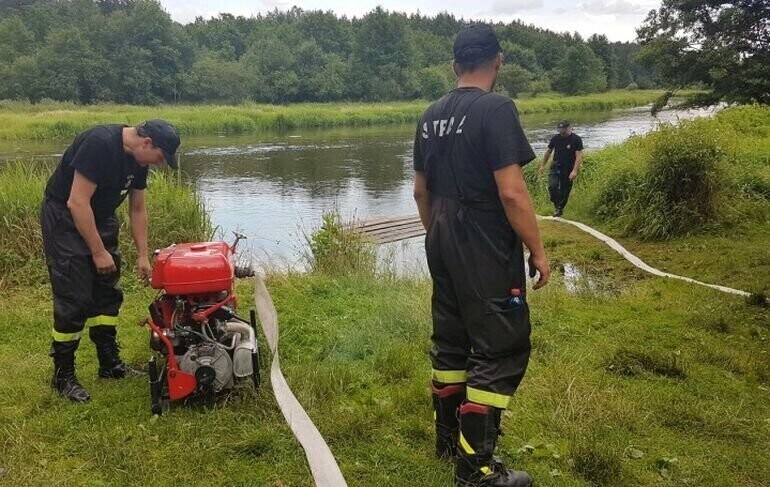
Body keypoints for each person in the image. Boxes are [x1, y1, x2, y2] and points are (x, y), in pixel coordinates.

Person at [413, 24, 550, 487]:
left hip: (440, 233)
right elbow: (511, 192)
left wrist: (439, 236)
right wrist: (537, 249)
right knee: (499, 345)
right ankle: (476, 469)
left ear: (455, 65)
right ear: (498, 61)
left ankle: (448, 442)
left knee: (451, 339)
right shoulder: (496, 109)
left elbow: (420, 191)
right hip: (484, 239)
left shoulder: (430, 115)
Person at [41, 120, 180, 403]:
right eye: (159, 158)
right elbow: (76, 202)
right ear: (147, 143)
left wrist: (143, 255)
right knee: (75, 296)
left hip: (101, 216)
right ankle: (63, 375)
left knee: (107, 291)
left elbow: (137, 209)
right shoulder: (100, 144)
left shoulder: (138, 160)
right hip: (66, 218)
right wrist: (97, 251)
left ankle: (109, 363)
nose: (158, 164)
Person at [538, 121, 583, 217]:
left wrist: (574, 171)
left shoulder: (576, 139)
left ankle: (559, 209)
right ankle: (557, 204)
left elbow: (578, 156)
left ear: (569, 128)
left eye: (564, 130)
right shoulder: (555, 138)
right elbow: (548, 152)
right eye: (560, 129)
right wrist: (542, 165)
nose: (562, 132)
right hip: (555, 166)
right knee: (552, 186)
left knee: (565, 191)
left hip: (568, 169)